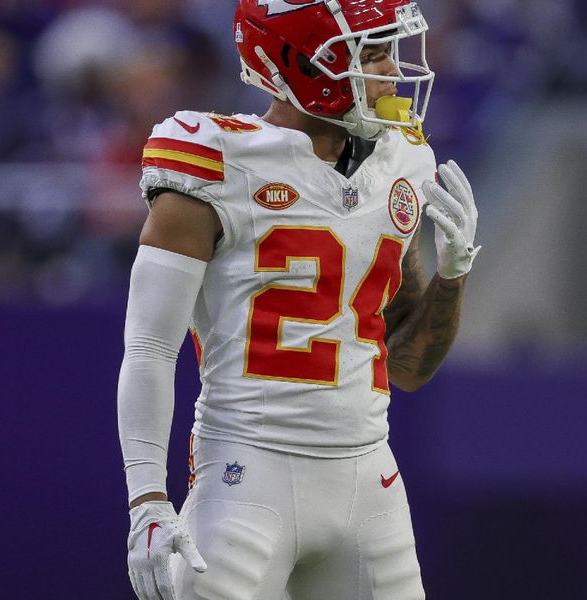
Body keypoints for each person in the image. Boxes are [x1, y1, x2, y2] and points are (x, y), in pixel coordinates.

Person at [117, 1, 480, 599]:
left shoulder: (400, 161)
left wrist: (454, 274)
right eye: (370, 53)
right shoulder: (216, 160)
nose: (392, 71)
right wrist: (147, 500)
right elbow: (150, 347)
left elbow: (410, 368)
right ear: (300, 61)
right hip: (244, 476)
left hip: (370, 483)